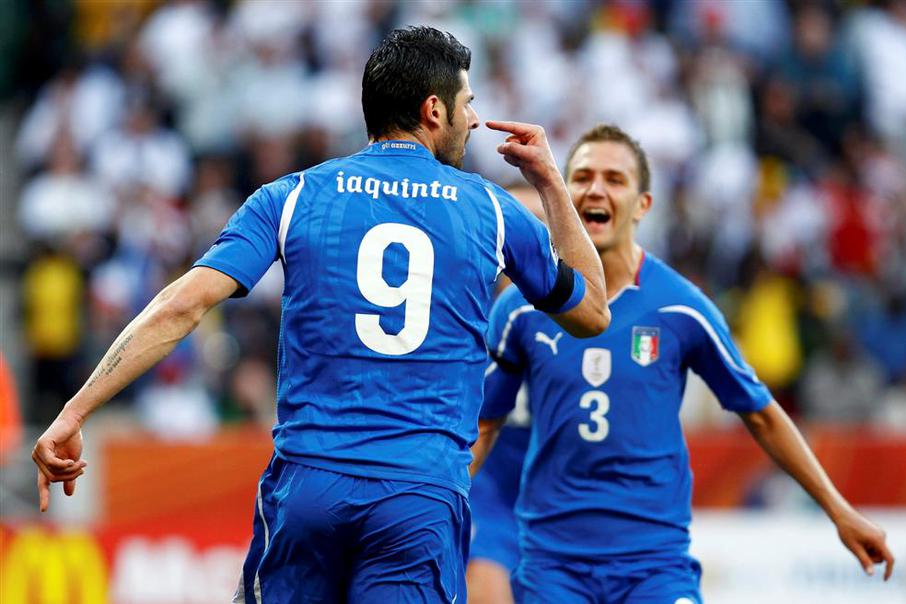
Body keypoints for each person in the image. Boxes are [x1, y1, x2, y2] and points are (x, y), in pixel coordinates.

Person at [31, 27, 610, 604]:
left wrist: (74, 411)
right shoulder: (490, 208)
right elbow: (591, 312)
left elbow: (181, 305)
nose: (474, 119)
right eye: (468, 103)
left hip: (310, 487)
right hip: (418, 497)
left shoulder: (293, 196)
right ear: (434, 110)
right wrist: (550, 183)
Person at [473, 124, 894, 603]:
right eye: (583, 177)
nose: (596, 189)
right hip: (554, 565)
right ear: (564, 198)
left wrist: (840, 511)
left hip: (654, 565)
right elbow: (485, 425)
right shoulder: (521, 309)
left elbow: (761, 414)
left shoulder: (681, 307)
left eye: (615, 179)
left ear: (643, 205)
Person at [466, 184, 541, 604]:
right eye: (512, 229)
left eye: (538, 228)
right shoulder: (456, 321)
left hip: (561, 509)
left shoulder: (586, 326)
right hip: (486, 502)